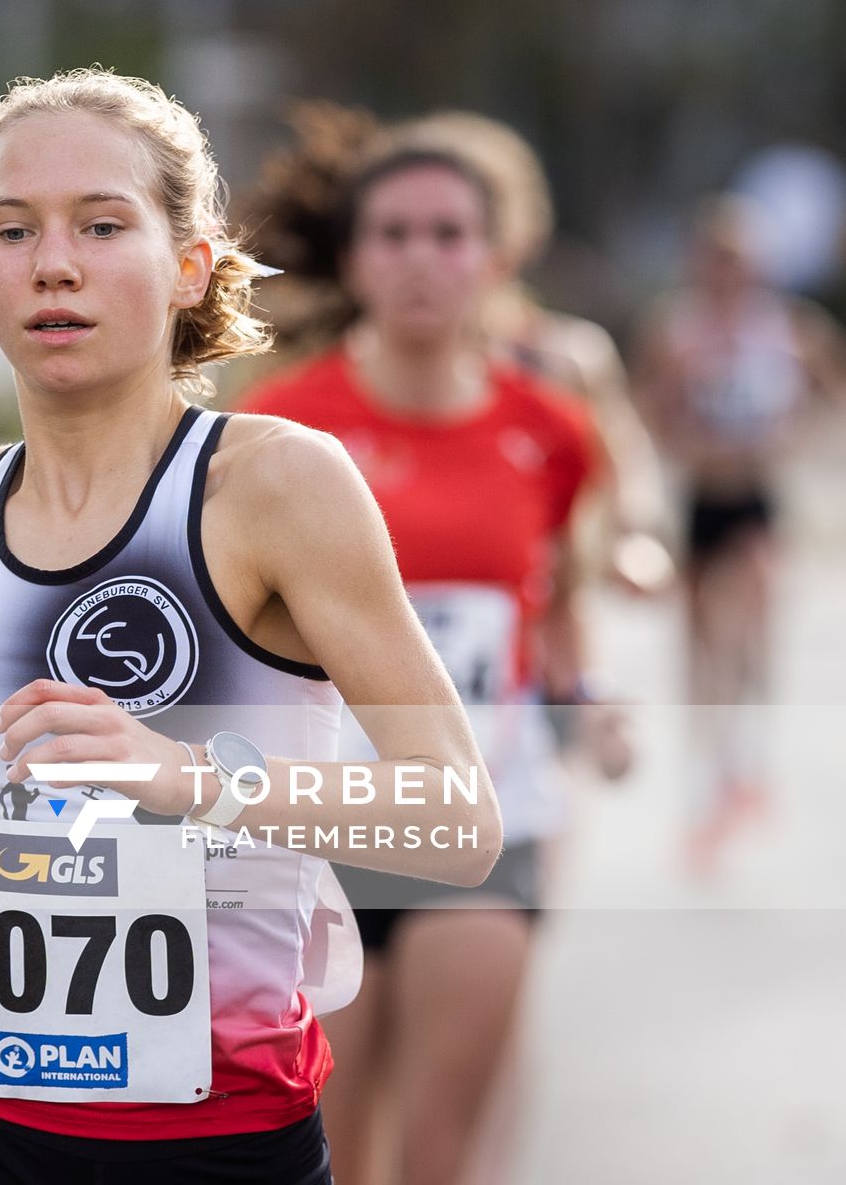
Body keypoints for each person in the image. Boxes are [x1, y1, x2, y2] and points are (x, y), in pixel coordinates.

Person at [0, 68, 501, 1184]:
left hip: (222, 1148)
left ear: (191, 266)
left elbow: (459, 817)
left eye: (102, 223)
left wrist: (192, 780)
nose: (55, 262)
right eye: (12, 229)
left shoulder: (275, 488)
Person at [239, 139, 621, 1185]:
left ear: (496, 258)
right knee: (328, 1151)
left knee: (440, 1158)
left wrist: (589, 704)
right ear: (355, 259)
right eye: (393, 234)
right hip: (320, 826)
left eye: (449, 235)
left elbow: (555, 602)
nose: (420, 259)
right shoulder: (275, 428)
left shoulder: (551, 429)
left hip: (484, 821)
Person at [633, 195, 846, 871]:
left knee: (750, 626)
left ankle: (747, 764)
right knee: (702, 655)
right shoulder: (676, 329)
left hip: (758, 501)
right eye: (718, 260)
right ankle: (714, 783)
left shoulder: (787, 326)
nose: (729, 273)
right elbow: (648, 412)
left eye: (742, 262)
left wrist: (789, 434)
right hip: (702, 502)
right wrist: (688, 444)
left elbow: (838, 385)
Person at [391, 111, 675, 597]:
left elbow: (626, 462)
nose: (425, 253)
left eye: (449, 230)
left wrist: (636, 539)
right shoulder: (361, 362)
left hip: (542, 632)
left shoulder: (564, 358)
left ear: (510, 235)